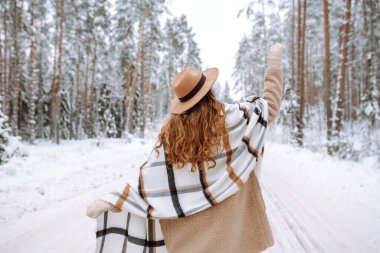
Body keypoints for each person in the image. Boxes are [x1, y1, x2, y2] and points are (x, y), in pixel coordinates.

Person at [87, 43, 284, 253]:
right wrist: (273, 64)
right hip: (233, 239)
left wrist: (113, 201)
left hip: (188, 244)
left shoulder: (171, 138)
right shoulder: (235, 119)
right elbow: (269, 105)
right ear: (210, 93)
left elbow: (147, 180)